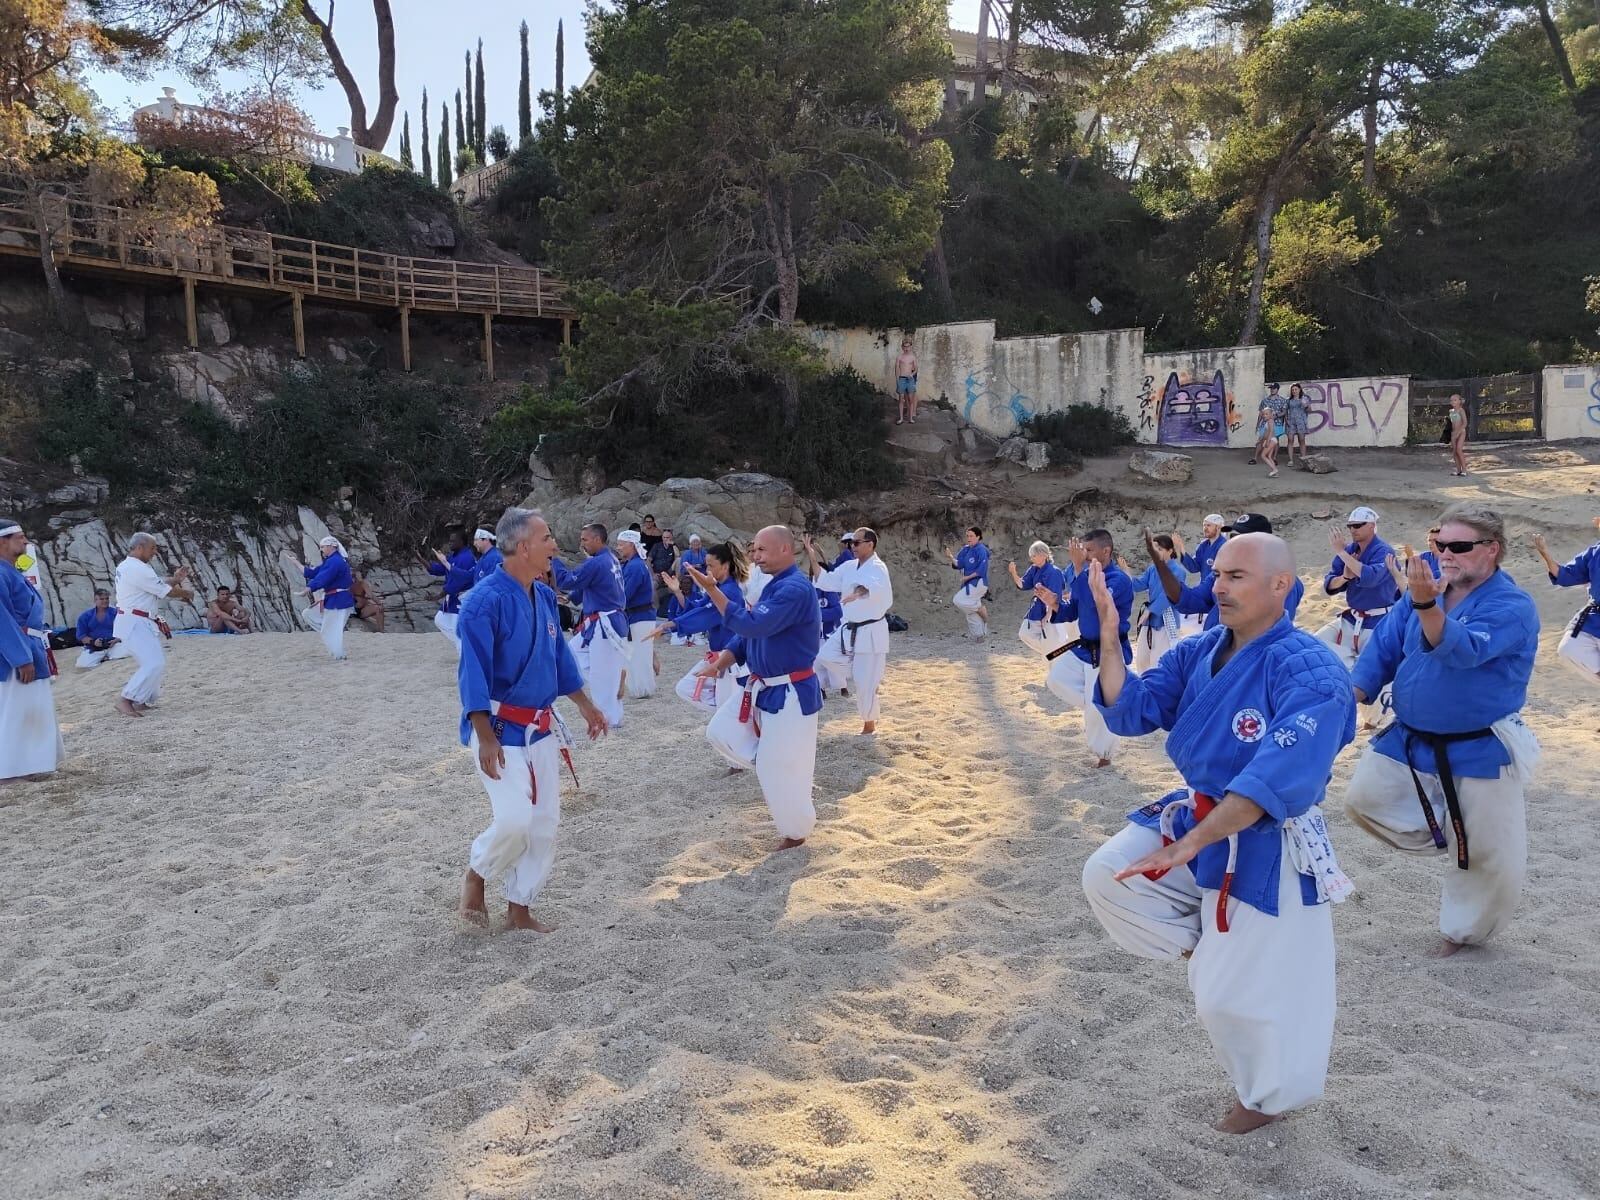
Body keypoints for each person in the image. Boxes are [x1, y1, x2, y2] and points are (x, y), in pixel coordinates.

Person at [1080, 534, 1357, 1134]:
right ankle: (1214, 950)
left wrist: (1190, 843)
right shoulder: (1200, 648)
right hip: (1201, 813)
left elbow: (1274, 776)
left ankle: (1264, 1100)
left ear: (1281, 586)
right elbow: (1131, 710)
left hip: (1267, 834)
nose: (1219, 587)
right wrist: (1108, 636)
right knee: (1108, 876)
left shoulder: (1311, 668)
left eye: (1236, 576)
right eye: (1219, 575)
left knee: (1224, 998)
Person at [1344, 505, 1540, 957]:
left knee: (1490, 859)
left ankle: (1463, 935)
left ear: (1491, 551)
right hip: (1412, 737)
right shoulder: (1427, 588)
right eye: (1440, 544)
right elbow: (1387, 644)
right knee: (1363, 801)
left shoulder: (1511, 605)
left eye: (1460, 546)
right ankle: (1453, 838)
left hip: (1481, 745)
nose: (1446, 554)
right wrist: (1352, 694)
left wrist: (1426, 604)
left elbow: (1462, 650)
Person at [456, 506, 608, 933]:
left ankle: (519, 908)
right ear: (523, 548)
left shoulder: (542, 594)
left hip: (540, 727)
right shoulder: (482, 604)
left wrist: (585, 704)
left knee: (543, 824)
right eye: (546, 539)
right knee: (514, 819)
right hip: (499, 729)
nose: (554, 546)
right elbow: (472, 675)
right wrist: (485, 737)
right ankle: (477, 874)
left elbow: (557, 659)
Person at [685, 525, 821, 849]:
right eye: (754, 549)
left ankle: (796, 833)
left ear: (785, 550)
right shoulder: (775, 587)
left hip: (790, 692)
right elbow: (748, 634)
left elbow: (752, 624)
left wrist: (713, 591)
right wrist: (723, 661)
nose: (754, 556)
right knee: (720, 731)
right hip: (763, 687)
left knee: (778, 767)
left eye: (761, 550)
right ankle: (780, 766)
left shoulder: (795, 590)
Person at [1044, 531, 1134, 767]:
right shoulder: (1085, 576)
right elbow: (1072, 609)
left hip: (1108, 651)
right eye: (1082, 550)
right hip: (1084, 648)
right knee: (1056, 679)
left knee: (1096, 706)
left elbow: (1099, 602)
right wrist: (1054, 604)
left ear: (1106, 551)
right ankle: (1102, 706)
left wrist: (1076, 567)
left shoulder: (1118, 580)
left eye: (1089, 550)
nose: (1084, 554)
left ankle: (1105, 755)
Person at [1316, 508, 1400, 726]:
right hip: (1352, 618)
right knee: (1316, 645)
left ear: (1372, 526)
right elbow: (1330, 584)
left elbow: (1371, 577)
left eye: (1358, 525)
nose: (1352, 530)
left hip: (1378, 620)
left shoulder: (1384, 551)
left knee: (1373, 690)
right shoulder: (1351, 549)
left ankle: (1376, 712)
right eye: (1350, 526)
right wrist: (1344, 575)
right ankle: (1350, 673)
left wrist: (1341, 553)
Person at [811, 528, 894, 735]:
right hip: (848, 626)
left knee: (865, 685)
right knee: (825, 656)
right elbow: (827, 580)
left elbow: (871, 587)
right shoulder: (849, 566)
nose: (852, 547)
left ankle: (869, 725)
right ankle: (865, 677)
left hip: (871, 630)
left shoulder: (878, 567)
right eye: (851, 543)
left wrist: (856, 594)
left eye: (857, 543)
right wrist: (811, 555)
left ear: (870, 544)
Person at [1162, 516, 1304, 631]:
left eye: (1242, 538)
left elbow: (1270, 631)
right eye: (1233, 537)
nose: (1235, 543)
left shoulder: (1280, 582)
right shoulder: (1223, 571)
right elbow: (1194, 599)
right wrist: (1166, 578)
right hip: (1215, 649)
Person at [1, 519, 63, 780]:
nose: (25, 541)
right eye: (19, 537)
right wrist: (21, 657)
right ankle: (16, 768)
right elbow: (2, 619)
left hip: (31, 646)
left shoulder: (11, 571)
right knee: (18, 710)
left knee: (34, 707)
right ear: (2, 541)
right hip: (17, 653)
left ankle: (35, 763)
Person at [551, 523, 629, 730]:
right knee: (572, 654)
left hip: (605, 623)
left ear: (597, 539)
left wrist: (553, 558)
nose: (582, 543)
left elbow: (567, 579)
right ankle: (614, 678)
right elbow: (593, 585)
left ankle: (609, 718)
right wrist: (571, 598)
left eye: (585, 539)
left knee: (601, 675)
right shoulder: (610, 559)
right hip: (604, 620)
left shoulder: (598, 562)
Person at [656, 540, 749, 710]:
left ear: (725, 566)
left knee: (723, 708)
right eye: (706, 566)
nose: (708, 571)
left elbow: (706, 615)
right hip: (718, 655)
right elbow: (698, 608)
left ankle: (724, 711)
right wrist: (677, 592)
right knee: (686, 687)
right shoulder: (719, 588)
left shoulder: (729, 591)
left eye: (711, 566)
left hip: (729, 658)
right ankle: (723, 710)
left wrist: (669, 625)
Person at [112, 532, 193, 719]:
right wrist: (187, 593)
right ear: (139, 547)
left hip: (138, 621)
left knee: (152, 661)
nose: (155, 552)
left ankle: (141, 700)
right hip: (135, 621)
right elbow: (165, 591)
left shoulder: (129, 566)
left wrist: (176, 579)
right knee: (154, 662)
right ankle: (125, 699)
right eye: (152, 548)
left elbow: (157, 584)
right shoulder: (137, 568)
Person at [1533, 519, 1600, 684]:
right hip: (1595, 617)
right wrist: (1545, 554)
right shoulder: (1594, 553)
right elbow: (1565, 575)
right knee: (1570, 648)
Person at [1125, 535, 1192, 673]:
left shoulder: (1178, 571)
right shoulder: (1152, 569)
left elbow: (1169, 595)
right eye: (1154, 549)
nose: (1156, 552)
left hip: (1166, 621)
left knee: (1159, 662)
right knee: (1142, 661)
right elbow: (1138, 585)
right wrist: (1126, 573)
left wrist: (1150, 610)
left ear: (1170, 550)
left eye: (1159, 549)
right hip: (1148, 621)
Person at [291, 536, 355, 660]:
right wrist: (296, 563)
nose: (321, 549)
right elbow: (313, 573)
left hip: (339, 600)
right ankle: (332, 633)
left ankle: (339, 655)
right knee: (309, 614)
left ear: (332, 546)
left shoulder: (336, 562)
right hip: (333, 599)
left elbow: (323, 578)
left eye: (323, 547)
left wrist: (308, 589)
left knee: (329, 630)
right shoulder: (331, 561)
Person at [615, 529, 659, 699]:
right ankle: (639, 688)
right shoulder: (631, 564)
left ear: (631, 545)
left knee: (639, 655)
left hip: (640, 616)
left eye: (621, 544)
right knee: (637, 654)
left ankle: (642, 689)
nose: (618, 548)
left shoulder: (635, 566)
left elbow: (626, 593)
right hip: (636, 616)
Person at [1007, 541, 1072, 657]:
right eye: (1031, 556)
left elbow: (1055, 597)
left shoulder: (1054, 572)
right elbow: (1022, 584)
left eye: (1034, 555)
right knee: (1025, 633)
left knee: (1054, 643)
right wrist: (1013, 573)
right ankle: (1053, 653)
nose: (1031, 558)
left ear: (1044, 555)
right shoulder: (1034, 569)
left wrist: (1048, 616)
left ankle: (1055, 654)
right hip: (1037, 608)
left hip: (1053, 611)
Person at [422, 526, 477, 650]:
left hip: (462, 599)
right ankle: (467, 648)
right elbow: (436, 569)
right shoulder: (454, 556)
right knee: (440, 619)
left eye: (453, 541)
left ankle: (466, 651)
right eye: (450, 541)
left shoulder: (466, 558)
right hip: (453, 598)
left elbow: (458, 582)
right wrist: (419, 557)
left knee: (457, 629)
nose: (450, 543)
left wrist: (437, 596)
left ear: (461, 542)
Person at [947, 528, 990, 641]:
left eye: (971, 536)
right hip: (968, 584)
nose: (969, 538)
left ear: (978, 537)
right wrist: (950, 557)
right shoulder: (965, 550)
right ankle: (980, 635)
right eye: (967, 536)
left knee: (958, 600)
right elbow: (958, 564)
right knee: (969, 612)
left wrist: (967, 577)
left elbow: (982, 569)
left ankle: (980, 609)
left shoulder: (981, 550)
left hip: (978, 583)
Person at [73, 588, 119, 668]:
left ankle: (107, 658)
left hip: (114, 644)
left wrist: (117, 640)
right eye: (102, 599)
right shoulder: (85, 616)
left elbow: (124, 629)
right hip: (95, 648)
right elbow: (81, 636)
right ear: (95, 600)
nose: (105, 601)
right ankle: (104, 658)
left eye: (107, 598)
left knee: (129, 653)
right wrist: (93, 642)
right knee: (81, 665)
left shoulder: (115, 613)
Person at [1180, 515, 1227, 580]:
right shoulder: (1203, 545)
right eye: (1204, 525)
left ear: (1218, 527)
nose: (1205, 528)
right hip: (1204, 586)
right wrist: (1182, 549)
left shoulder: (1225, 546)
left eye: (1208, 525)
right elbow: (1194, 567)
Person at [1253, 385, 1285, 477]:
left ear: (1271, 415)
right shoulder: (1267, 420)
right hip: (1271, 440)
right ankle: (1275, 472)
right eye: (1264, 414)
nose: (1264, 416)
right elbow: (1266, 433)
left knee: (1263, 456)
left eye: (1266, 414)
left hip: (1271, 440)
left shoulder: (1270, 421)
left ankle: (1274, 469)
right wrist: (1261, 440)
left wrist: (1266, 442)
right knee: (1269, 456)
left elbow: (1270, 432)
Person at [648, 528, 678, 618]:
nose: (666, 539)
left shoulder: (673, 547)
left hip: (669, 573)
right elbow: (648, 560)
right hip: (658, 573)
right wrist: (652, 574)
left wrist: (674, 545)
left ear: (671, 538)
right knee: (652, 585)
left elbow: (678, 557)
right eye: (664, 537)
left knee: (679, 560)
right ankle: (656, 610)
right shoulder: (657, 546)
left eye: (668, 537)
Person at [1283, 383, 1310, 466]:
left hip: (1301, 421)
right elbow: (1285, 410)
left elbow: (1309, 410)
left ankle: (1303, 459)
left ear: (1299, 390)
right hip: (1291, 421)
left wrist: (1306, 405)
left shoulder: (1304, 399)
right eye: (1293, 390)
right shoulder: (1288, 400)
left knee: (1301, 440)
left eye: (1296, 389)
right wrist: (1286, 419)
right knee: (1290, 440)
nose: (1294, 391)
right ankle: (1291, 460)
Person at [894, 337, 919, 425]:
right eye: (905, 346)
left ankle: (910, 418)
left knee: (910, 399)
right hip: (902, 379)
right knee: (901, 399)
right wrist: (897, 381)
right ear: (902, 347)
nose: (906, 348)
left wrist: (912, 375)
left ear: (911, 346)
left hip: (910, 380)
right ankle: (901, 418)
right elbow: (896, 369)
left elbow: (916, 369)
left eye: (908, 346)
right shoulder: (899, 357)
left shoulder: (913, 357)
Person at [1448, 393, 1469, 477]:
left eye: (1455, 400)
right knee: (1454, 452)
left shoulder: (1461, 410)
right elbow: (1451, 423)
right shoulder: (1450, 411)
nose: (1453, 401)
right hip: (1453, 433)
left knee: (1459, 450)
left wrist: (1458, 432)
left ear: (1460, 401)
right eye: (1451, 400)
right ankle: (1458, 470)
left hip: (1461, 432)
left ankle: (1464, 470)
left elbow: (1465, 423)